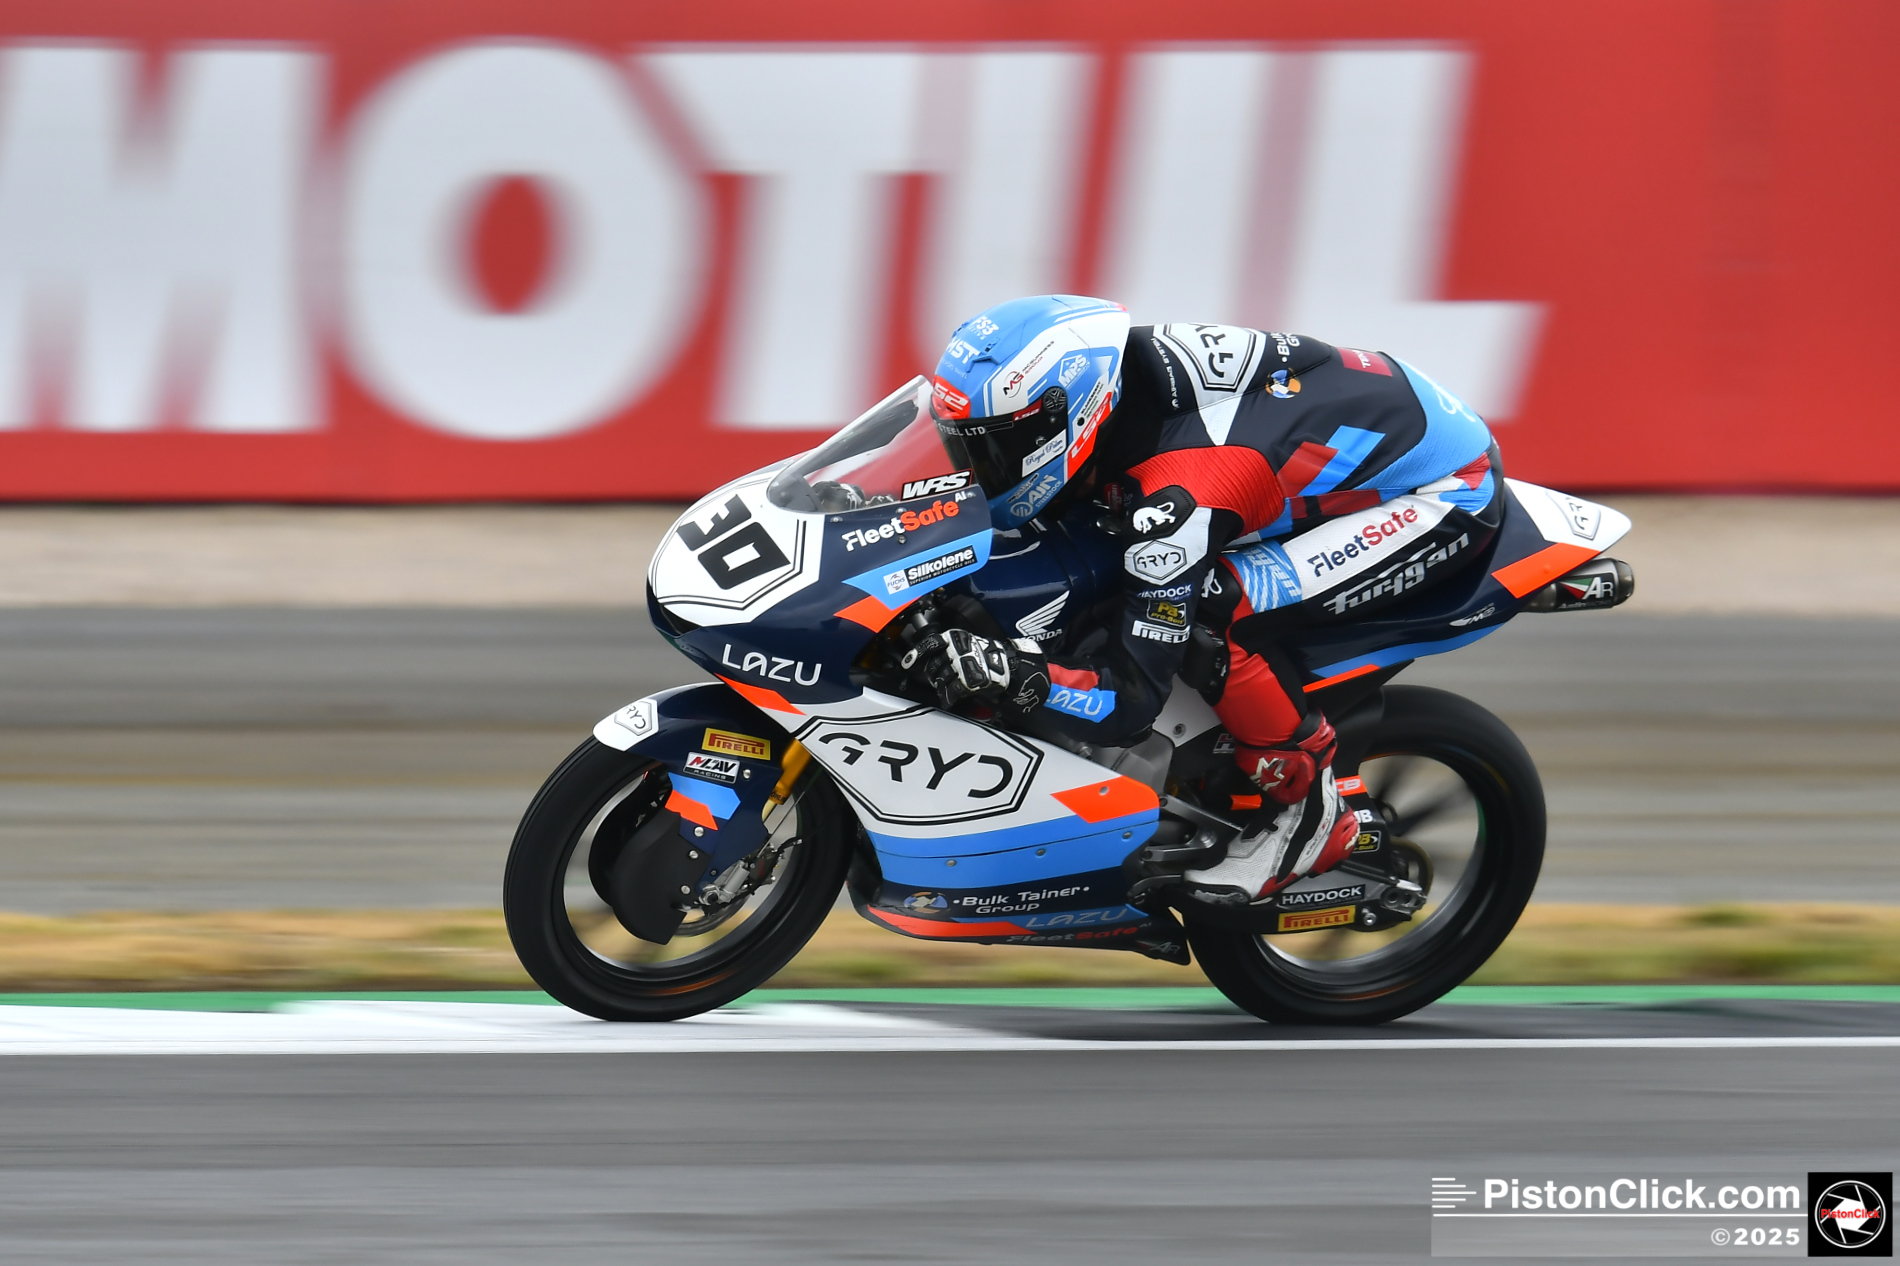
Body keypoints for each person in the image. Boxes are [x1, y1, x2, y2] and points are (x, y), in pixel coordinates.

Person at [905, 295, 1503, 909]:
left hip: (1441, 492)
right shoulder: (1097, 375)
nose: (976, 468)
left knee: (1216, 615)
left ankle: (1305, 814)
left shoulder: (1178, 498)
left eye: (993, 450)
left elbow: (1129, 699)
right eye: (963, 446)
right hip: (1339, 432)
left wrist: (1020, 676)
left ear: (1072, 418)